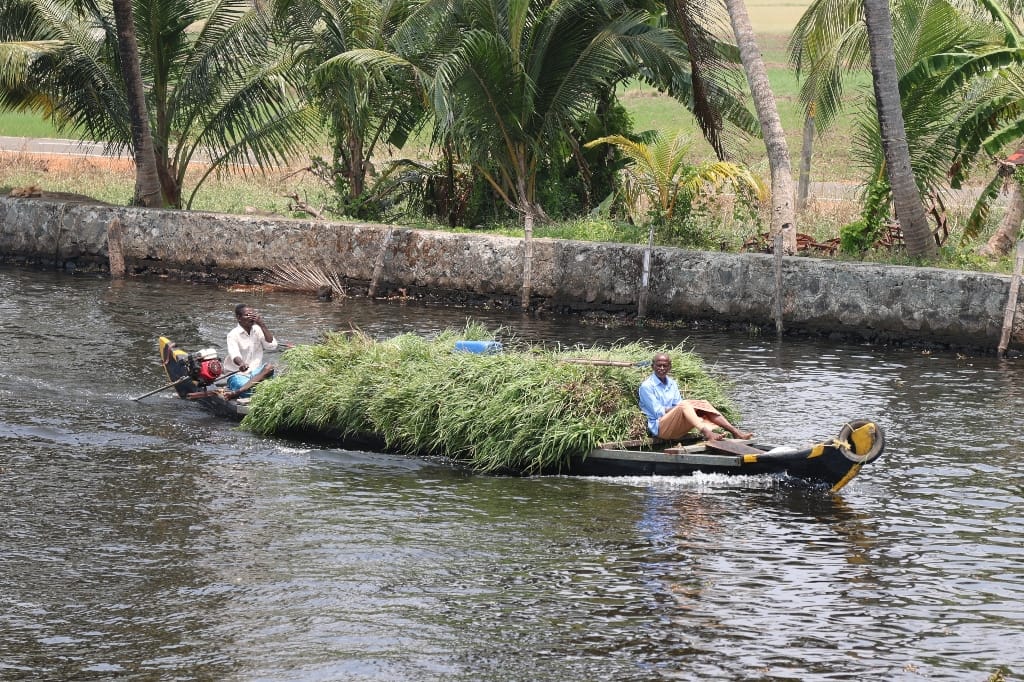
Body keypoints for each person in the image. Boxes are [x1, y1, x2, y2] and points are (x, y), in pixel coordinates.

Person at [638, 353, 753, 442]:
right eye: (659, 365)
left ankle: (735, 431)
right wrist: (686, 406)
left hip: (676, 427)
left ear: (670, 367)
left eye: (665, 366)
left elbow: (678, 406)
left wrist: (693, 406)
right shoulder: (647, 386)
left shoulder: (672, 383)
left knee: (702, 403)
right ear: (653, 366)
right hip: (661, 429)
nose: (662, 368)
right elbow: (659, 412)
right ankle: (707, 433)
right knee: (685, 404)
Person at [222, 303, 278, 400]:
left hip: (256, 372)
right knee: (255, 390)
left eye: (253, 315)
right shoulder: (233, 335)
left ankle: (238, 392)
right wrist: (241, 364)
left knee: (269, 368)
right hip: (238, 374)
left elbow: (272, 346)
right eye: (247, 315)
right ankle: (244, 389)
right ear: (239, 318)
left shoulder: (258, 329)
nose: (251, 317)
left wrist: (262, 325)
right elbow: (234, 354)